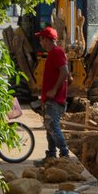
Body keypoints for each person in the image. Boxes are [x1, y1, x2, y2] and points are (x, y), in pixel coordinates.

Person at [35, 26, 71, 161]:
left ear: (47, 40)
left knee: (52, 125)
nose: (40, 42)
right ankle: (51, 155)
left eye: (41, 39)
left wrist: (54, 89)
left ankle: (64, 153)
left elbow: (65, 72)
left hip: (55, 99)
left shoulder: (57, 52)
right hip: (51, 98)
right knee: (49, 127)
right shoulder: (53, 53)